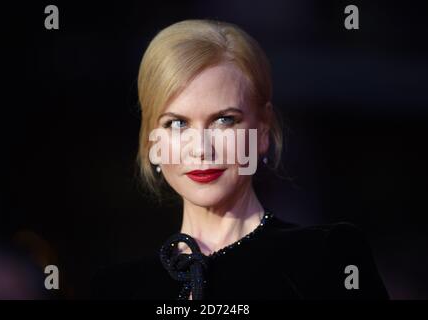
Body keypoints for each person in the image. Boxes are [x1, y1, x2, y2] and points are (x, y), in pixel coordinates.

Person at [92, 19, 389, 300]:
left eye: (224, 120)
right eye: (177, 124)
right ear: (151, 140)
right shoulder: (115, 289)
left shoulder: (327, 258)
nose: (201, 149)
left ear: (262, 131)